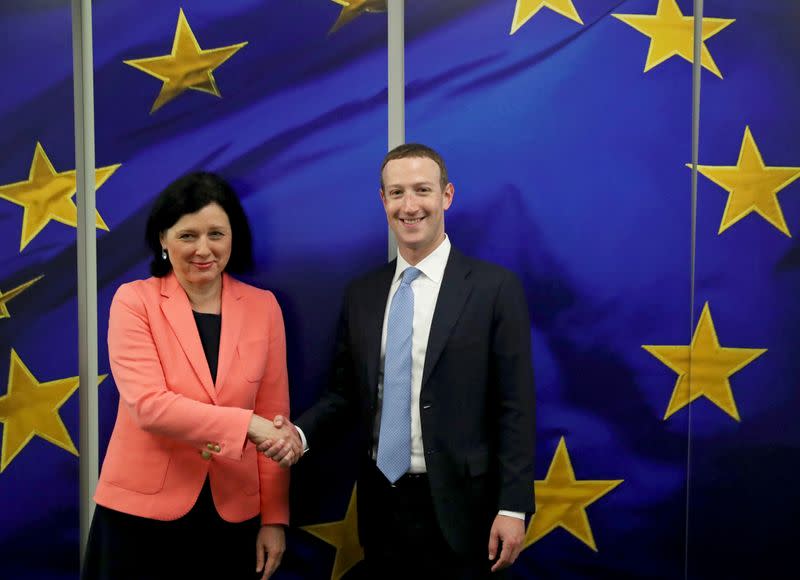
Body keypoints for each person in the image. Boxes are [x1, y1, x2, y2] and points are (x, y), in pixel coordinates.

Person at [263, 144, 536, 578]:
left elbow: (516, 408)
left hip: (466, 508)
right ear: (383, 200)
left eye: (422, 190)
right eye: (397, 193)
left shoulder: (494, 288)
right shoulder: (363, 293)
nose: (409, 206)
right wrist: (297, 434)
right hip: (380, 502)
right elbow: (345, 394)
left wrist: (514, 506)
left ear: (446, 196)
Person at [82, 172, 296, 580]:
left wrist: (274, 517)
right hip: (140, 518)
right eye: (187, 235)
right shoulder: (134, 301)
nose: (204, 249)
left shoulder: (264, 307)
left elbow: (275, 415)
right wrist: (247, 425)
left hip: (233, 516)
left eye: (216, 233)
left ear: (234, 237)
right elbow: (149, 407)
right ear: (163, 239)